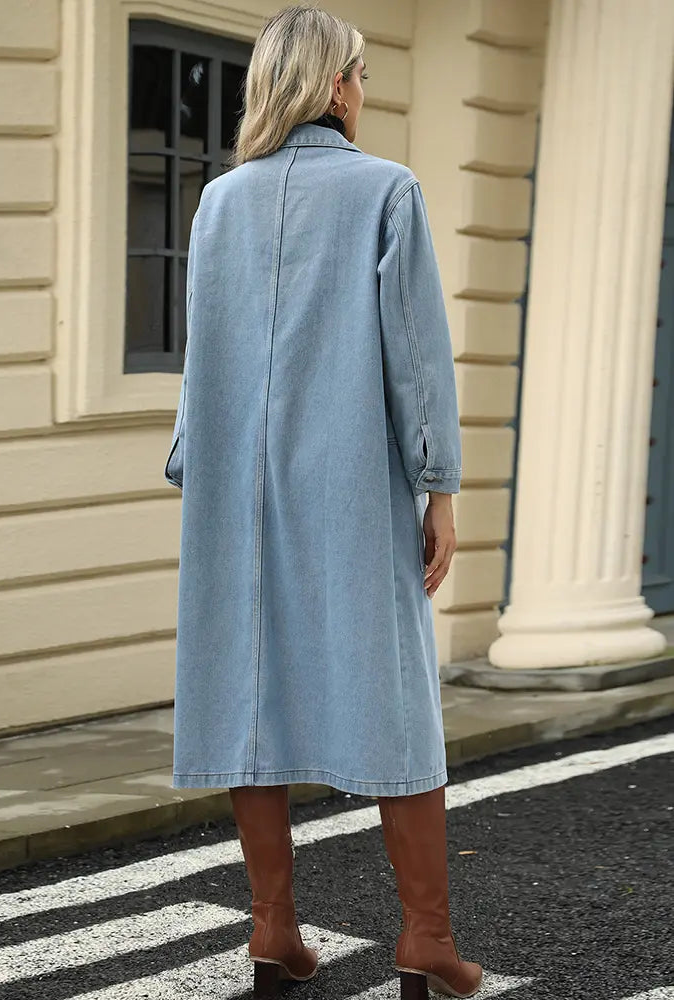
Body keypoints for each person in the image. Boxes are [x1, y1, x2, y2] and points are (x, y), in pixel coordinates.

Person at [163, 4, 482, 998]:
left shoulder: (219, 203)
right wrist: (437, 483)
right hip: (350, 482)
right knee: (397, 702)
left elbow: (200, 349)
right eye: (363, 76)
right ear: (338, 84)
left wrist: (193, 458)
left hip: (236, 487)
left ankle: (273, 929)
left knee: (246, 692)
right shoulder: (387, 188)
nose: (363, 92)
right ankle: (425, 938)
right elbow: (415, 353)